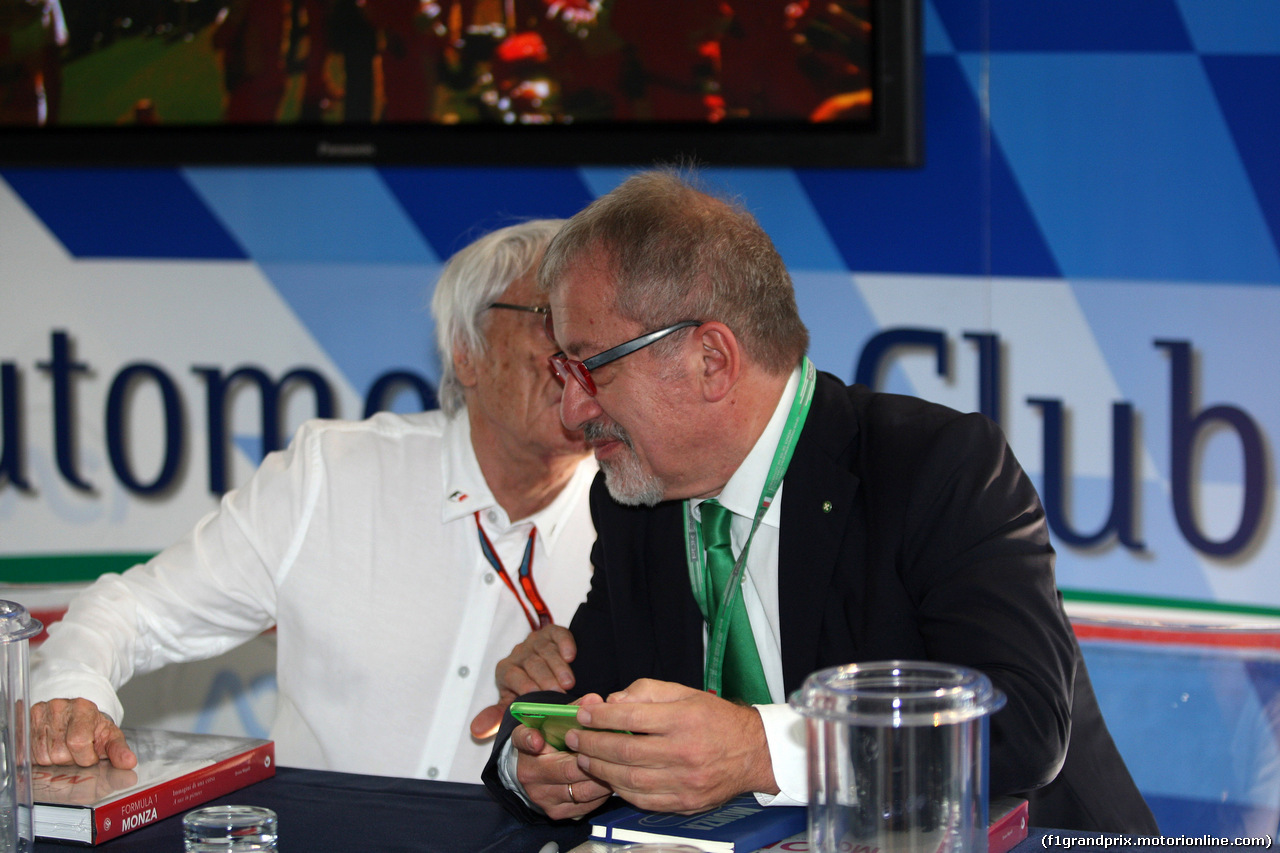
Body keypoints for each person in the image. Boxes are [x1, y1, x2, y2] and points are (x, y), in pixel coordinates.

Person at [480, 170, 1159, 834]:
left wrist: (761, 749)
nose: (573, 410)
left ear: (711, 360)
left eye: (592, 366)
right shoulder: (634, 500)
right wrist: (530, 763)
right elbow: (582, 695)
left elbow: (1022, 725)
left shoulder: (934, 467)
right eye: (564, 371)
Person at [28, 219, 599, 784]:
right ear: (466, 353)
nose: (579, 353)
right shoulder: (332, 476)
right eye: (553, 320)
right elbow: (133, 611)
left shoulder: (638, 517)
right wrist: (69, 697)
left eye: (594, 331)